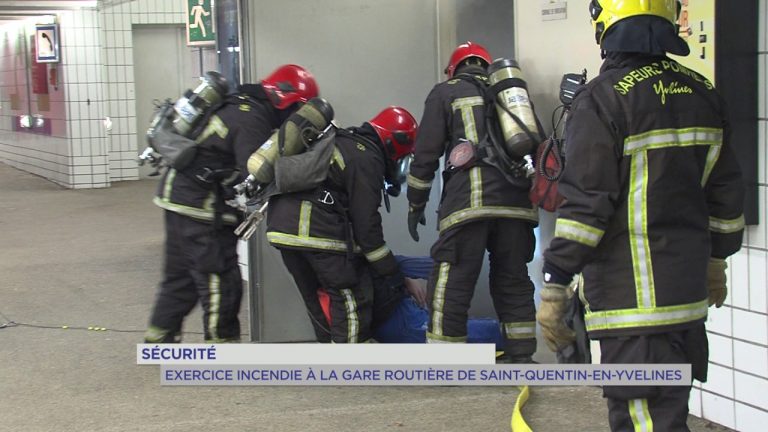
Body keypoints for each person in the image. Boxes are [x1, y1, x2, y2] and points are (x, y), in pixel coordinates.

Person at [539, 1, 745, 430]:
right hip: (686, 299)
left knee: (641, 420)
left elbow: (586, 207)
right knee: (666, 414)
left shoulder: (602, 99)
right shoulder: (702, 92)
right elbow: (725, 193)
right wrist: (716, 260)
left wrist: (555, 282)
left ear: (605, 22)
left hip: (629, 306)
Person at [144, 64, 320, 343]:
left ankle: (158, 340)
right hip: (201, 208)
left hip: (176, 197)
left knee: (180, 279)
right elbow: (252, 175)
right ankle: (221, 347)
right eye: (296, 108)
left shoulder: (236, 103)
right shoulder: (252, 118)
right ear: (284, 98)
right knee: (220, 279)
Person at [406, 41, 538, 363]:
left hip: (470, 204)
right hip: (518, 207)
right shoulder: (510, 94)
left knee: (452, 280)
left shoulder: (446, 91)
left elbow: (425, 154)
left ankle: (446, 362)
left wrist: (416, 203)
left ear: (454, 69)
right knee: (514, 279)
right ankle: (522, 357)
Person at [266, 106, 418, 343]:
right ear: (394, 142)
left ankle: (330, 350)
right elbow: (367, 230)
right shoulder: (368, 157)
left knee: (314, 296)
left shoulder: (342, 141)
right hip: (317, 231)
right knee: (350, 294)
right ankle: (349, 361)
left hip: (282, 229)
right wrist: (394, 275)